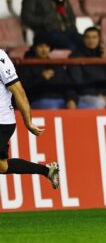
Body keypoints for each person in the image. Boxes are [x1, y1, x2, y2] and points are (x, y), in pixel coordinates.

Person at [0, 49, 59, 189]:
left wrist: (28, 122)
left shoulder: (0, 58)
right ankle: (47, 171)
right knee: (2, 167)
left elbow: (18, 90)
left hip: (1, 121)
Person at [68, 27, 106, 109]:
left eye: (94, 37)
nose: (91, 40)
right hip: (84, 94)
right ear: (83, 39)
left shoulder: (105, 53)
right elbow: (77, 82)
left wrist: (105, 61)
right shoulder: (75, 56)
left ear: (99, 39)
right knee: (99, 103)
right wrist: (96, 94)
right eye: (88, 37)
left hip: (105, 92)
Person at [20, 35, 78, 109]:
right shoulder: (26, 65)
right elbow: (23, 89)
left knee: (90, 107)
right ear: (34, 48)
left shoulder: (56, 65)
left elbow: (68, 86)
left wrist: (71, 99)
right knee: (52, 106)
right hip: (38, 100)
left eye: (47, 46)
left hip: (61, 100)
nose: (44, 50)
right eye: (40, 46)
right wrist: (41, 78)